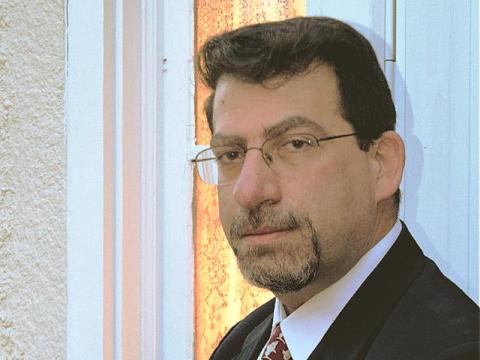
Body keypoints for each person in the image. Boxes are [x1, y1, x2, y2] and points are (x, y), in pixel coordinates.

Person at [193, 17, 479, 360]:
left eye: (296, 144)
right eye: (231, 154)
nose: (249, 191)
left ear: (382, 164)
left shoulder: (455, 349)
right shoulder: (244, 343)